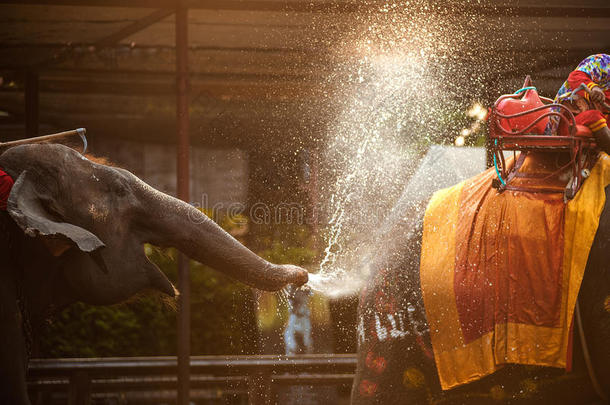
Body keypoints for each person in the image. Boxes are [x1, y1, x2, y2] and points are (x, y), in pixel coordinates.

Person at [554, 53, 610, 154]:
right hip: (568, 120)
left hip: (595, 126)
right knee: (594, 116)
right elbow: (575, 76)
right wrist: (594, 88)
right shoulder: (603, 62)